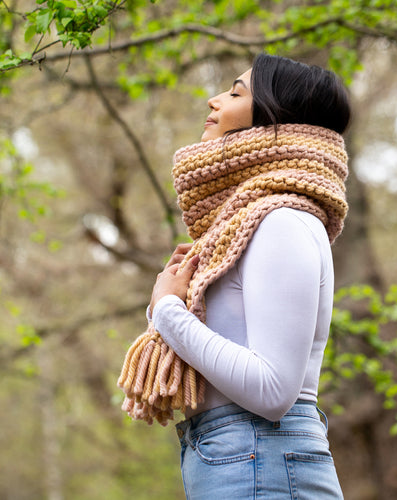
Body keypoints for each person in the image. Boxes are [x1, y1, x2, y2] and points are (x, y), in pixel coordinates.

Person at [149, 53, 350, 499]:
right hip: (248, 457)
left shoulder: (282, 221)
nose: (214, 99)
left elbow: (274, 390)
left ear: (277, 120)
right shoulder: (253, 223)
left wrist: (168, 311)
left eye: (237, 92)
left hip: (261, 456)